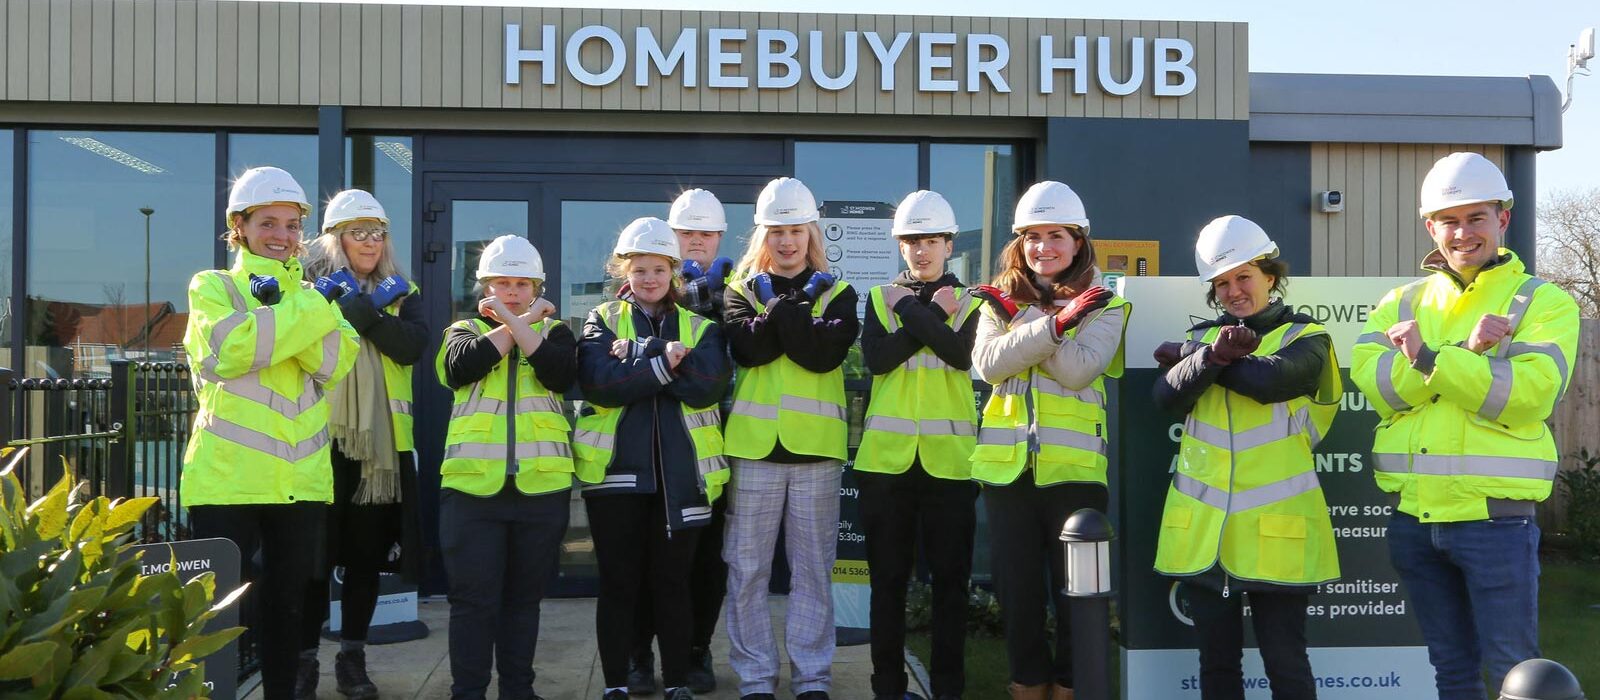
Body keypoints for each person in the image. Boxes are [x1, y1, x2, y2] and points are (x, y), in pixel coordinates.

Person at [1350, 152, 1578, 699]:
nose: (1463, 232)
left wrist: (1428, 358)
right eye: (1449, 220)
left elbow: (1529, 395)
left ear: (1503, 219)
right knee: (1451, 671)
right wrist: (1462, 355)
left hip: (1495, 523)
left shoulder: (1543, 302)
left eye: (1477, 217)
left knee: (1513, 674)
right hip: (1415, 519)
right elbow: (1377, 386)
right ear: (1431, 227)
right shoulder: (1399, 302)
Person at [180, 166, 358, 700]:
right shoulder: (213, 286)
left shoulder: (305, 293)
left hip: (299, 479)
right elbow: (230, 351)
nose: (280, 236)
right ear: (239, 225)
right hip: (226, 480)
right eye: (267, 223)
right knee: (220, 615)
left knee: (287, 611)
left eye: (289, 225)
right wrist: (312, 308)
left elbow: (336, 359)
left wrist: (278, 321)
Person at [1151, 215, 1342, 700]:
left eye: (1244, 277)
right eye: (1222, 283)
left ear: (1270, 276)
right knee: (1217, 668)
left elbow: (1268, 382)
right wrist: (1208, 354)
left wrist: (1197, 354)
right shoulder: (1206, 344)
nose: (1234, 291)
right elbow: (1164, 399)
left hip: (1278, 536)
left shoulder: (1308, 337)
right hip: (1206, 538)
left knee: (1286, 666)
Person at [969, 181, 1129, 700]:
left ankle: (1071, 688)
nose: (1044, 247)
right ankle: (1028, 688)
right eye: (1032, 236)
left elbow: (1080, 371)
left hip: (1075, 476)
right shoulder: (999, 298)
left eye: (1055, 234)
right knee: (1018, 599)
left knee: (1077, 600)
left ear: (1078, 240)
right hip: (1008, 474)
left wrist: (1034, 326)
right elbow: (990, 366)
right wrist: (1057, 321)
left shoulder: (1106, 301)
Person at [575, 217, 733, 700]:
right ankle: (621, 681)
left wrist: (644, 353)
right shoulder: (600, 319)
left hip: (685, 479)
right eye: (639, 269)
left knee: (672, 584)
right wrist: (668, 362)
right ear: (624, 270)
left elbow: (708, 387)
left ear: (673, 273)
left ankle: (678, 682)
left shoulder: (702, 327)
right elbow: (602, 383)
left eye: (658, 269)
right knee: (621, 584)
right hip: (616, 477)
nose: (649, 279)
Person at [721, 177, 859, 700]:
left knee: (812, 574)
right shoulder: (737, 292)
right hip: (754, 449)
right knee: (748, 570)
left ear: (810, 233)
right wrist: (799, 314)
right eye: (776, 231)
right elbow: (750, 352)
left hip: (815, 453)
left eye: (795, 230)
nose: (786, 241)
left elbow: (820, 356)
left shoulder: (841, 293)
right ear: (762, 235)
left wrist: (774, 310)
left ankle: (812, 679)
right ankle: (756, 678)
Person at [295, 189, 428, 700]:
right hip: (320, 444)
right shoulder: (308, 288)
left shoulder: (404, 290)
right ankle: (305, 663)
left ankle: (352, 658)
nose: (370, 243)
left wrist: (360, 309)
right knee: (312, 561)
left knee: (366, 560)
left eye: (378, 233)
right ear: (335, 239)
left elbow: (411, 346)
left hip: (381, 454)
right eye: (358, 232)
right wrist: (356, 309)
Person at [435, 234, 578, 700]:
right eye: (503, 284)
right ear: (485, 288)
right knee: (473, 603)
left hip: (541, 491)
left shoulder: (556, 333)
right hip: (473, 493)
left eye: (522, 284)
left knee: (523, 602)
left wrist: (525, 325)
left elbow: (559, 372)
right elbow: (463, 367)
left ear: (536, 286)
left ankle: (519, 691)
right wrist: (521, 322)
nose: (512, 292)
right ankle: (468, 693)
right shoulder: (463, 331)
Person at [854, 190, 983, 700]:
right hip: (885, 468)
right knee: (887, 584)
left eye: (931, 240)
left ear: (950, 245)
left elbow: (956, 355)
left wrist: (911, 312)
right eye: (912, 241)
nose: (921, 250)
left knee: (951, 585)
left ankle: (948, 689)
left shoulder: (973, 302)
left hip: (950, 467)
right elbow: (879, 362)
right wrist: (921, 310)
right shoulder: (878, 298)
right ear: (900, 246)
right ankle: (887, 687)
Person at [629, 189, 739, 695]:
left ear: (719, 238)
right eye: (687, 232)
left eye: (706, 233)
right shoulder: (637, 292)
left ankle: (695, 651)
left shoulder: (734, 291)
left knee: (705, 560)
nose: (696, 240)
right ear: (671, 239)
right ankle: (638, 655)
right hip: (648, 448)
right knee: (648, 561)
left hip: (710, 449)